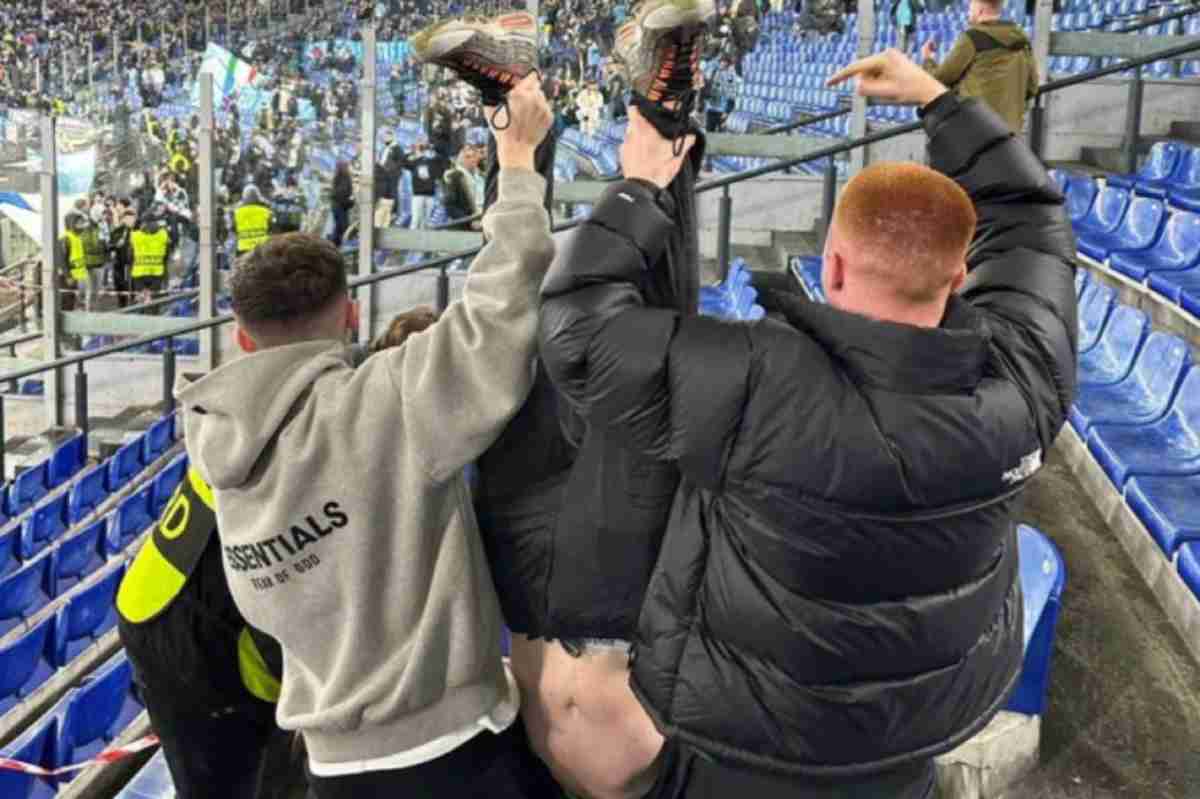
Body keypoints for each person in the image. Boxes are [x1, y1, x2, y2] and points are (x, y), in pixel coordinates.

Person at [537, 48, 1077, 799]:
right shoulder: (1027, 375)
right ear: (959, 277)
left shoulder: (757, 381)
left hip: (744, 754)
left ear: (832, 266)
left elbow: (574, 333)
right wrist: (938, 100)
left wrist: (637, 188)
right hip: (908, 746)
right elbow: (1031, 216)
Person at [174, 52, 562, 799]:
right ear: (351, 318)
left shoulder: (217, 456)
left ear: (242, 337)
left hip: (332, 771)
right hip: (455, 754)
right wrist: (518, 164)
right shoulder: (385, 400)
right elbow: (500, 309)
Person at [475, 3, 713, 799]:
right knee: (653, 337)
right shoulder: (687, 778)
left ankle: (513, 108)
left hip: (524, 580)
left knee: (512, 329)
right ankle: (666, 98)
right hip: (620, 580)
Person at [921, 0, 1037, 133]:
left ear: (980, 10)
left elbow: (940, 78)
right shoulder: (1021, 39)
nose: (968, 12)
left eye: (971, 7)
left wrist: (928, 59)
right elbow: (1032, 86)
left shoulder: (972, 38)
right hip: (1010, 134)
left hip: (977, 131)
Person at [403, 136, 448, 230]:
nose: (423, 146)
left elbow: (443, 162)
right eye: (420, 143)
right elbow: (404, 162)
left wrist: (433, 148)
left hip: (430, 194)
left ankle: (423, 242)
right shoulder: (415, 160)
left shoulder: (433, 161)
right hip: (417, 194)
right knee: (415, 220)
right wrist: (413, 150)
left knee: (426, 221)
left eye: (424, 143)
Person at [442, 136, 486, 230]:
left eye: (474, 156)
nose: (472, 160)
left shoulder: (482, 177)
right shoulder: (454, 176)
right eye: (467, 157)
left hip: (485, 222)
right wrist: (469, 220)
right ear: (460, 159)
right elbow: (450, 206)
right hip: (465, 226)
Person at [235, 184, 274, 255]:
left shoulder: (237, 212)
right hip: (262, 248)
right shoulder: (266, 211)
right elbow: (272, 229)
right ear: (258, 197)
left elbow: (233, 229)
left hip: (243, 249)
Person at [329, 161, 354, 247]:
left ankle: (334, 245)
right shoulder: (345, 178)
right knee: (344, 227)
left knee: (338, 227)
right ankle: (344, 246)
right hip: (340, 206)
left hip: (337, 206)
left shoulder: (338, 177)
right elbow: (341, 194)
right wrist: (350, 202)